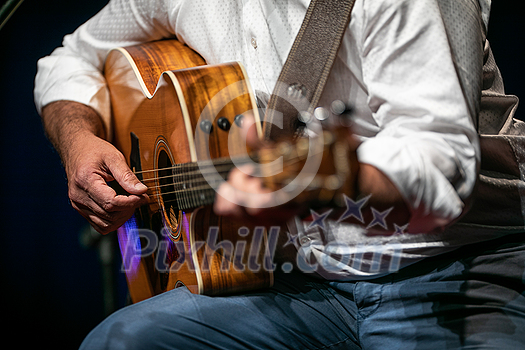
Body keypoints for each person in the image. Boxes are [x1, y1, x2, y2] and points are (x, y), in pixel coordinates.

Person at [34, 0, 525, 349]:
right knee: (119, 341)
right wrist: (79, 141)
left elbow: (437, 170)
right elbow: (71, 58)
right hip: (294, 281)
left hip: (454, 269)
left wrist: (322, 180)